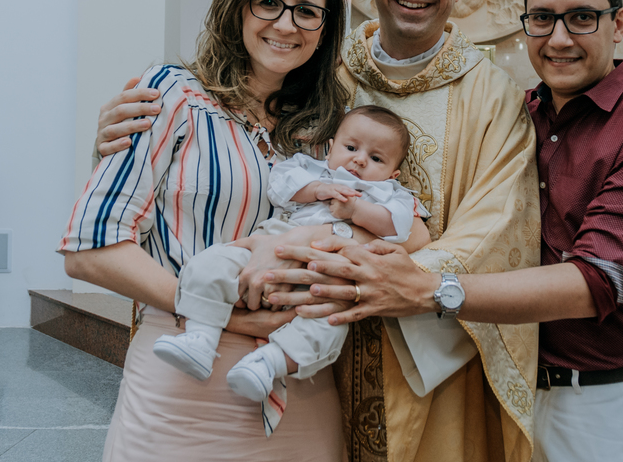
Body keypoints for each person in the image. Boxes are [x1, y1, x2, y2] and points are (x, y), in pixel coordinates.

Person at [95, 0, 541, 462]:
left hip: (412, 355)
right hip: (283, 349)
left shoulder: (492, 96)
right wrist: (122, 144)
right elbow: (220, 165)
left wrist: (377, 278)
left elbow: (496, 226)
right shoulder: (319, 72)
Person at [271, 0, 623, 462]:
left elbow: (597, 280)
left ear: (618, 23)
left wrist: (430, 287)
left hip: (600, 401)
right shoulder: (518, 110)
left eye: (582, 18)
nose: (560, 38)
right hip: (503, 380)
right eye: (542, 19)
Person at [58, 0, 353, 462]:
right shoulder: (171, 94)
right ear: (237, 5)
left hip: (300, 384)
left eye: (307, 11)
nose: (285, 24)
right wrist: (229, 320)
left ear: (324, 29)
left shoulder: (330, 131)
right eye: (267, 2)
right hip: (184, 379)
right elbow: (90, 249)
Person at [152, 105, 430, 413]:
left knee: (328, 324)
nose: (359, 159)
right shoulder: (312, 169)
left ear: (393, 174)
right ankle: (200, 339)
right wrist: (316, 189)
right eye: (350, 147)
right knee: (214, 263)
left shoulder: (392, 194)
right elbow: (279, 185)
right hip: (273, 243)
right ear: (331, 148)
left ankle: (268, 364)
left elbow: (402, 226)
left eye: (376, 158)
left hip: (328, 272)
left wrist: (357, 212)